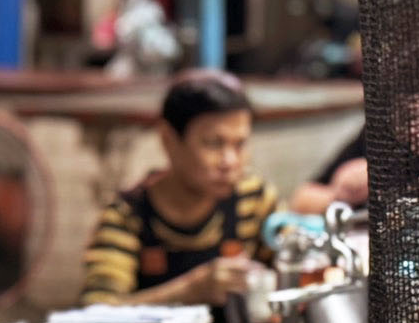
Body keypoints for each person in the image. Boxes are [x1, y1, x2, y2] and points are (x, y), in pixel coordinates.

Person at [81, 70, 278, 308]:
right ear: (169, 140)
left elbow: (297, 264)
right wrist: (190, 290)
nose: (230, 161)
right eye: (213, 144)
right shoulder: (127, 217)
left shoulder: (256, 200)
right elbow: (97, 311)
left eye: (240, 144)